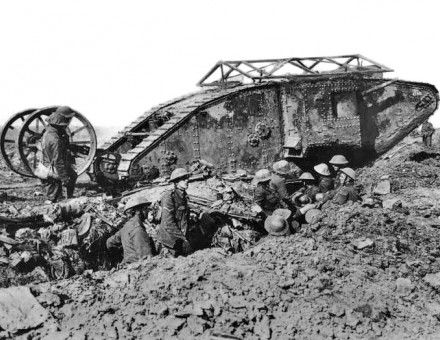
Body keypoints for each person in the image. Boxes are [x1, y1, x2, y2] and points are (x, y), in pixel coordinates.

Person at [41, 106, 77, 203]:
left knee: (72, 175)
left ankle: (68, 198)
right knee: (53, 197)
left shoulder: (49, 131)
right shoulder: (55, 140)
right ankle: (52, 204)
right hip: (51, 170)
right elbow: (58, 160)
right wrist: (64, 178)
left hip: (46, 165)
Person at [155, 168, 193, 257]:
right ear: (176, 182)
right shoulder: (169, 197)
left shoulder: (183, 196)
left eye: (187, 178)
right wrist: (184, 239)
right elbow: (168, 223)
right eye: (183, 179)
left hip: (179, 239)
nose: (187, 180)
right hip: (169, 243)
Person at [106, 196, 155, 264]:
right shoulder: (138, 230)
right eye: (145, 208)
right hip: (137, 268)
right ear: (138, 211)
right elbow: (147, 259)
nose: (148, 211)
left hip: (127, 265)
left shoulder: (125, 227)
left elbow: (109, 243)